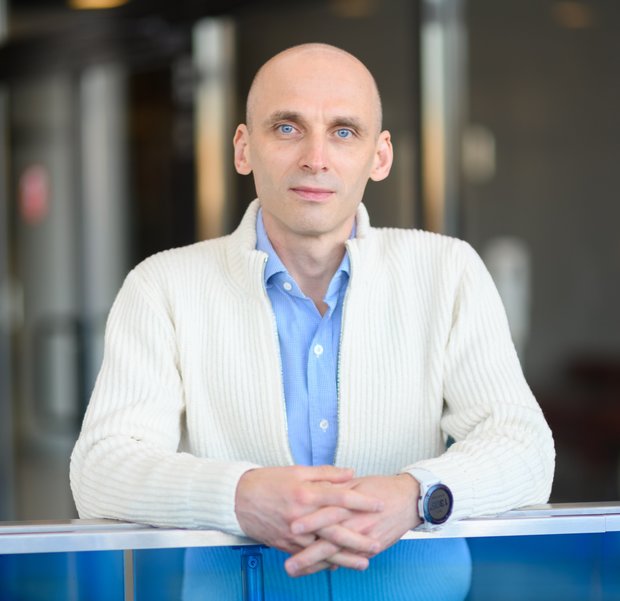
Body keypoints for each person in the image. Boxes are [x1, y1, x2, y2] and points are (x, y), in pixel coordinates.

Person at [70, 43, 554, 599]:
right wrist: (240, 496)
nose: (315, 158)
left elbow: (526, 449)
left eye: (344, 131)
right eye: (287, 128)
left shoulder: (448, 271)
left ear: (380, 156)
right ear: (244, 148)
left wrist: (416, 496)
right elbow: (100, 471)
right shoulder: (162, 286)